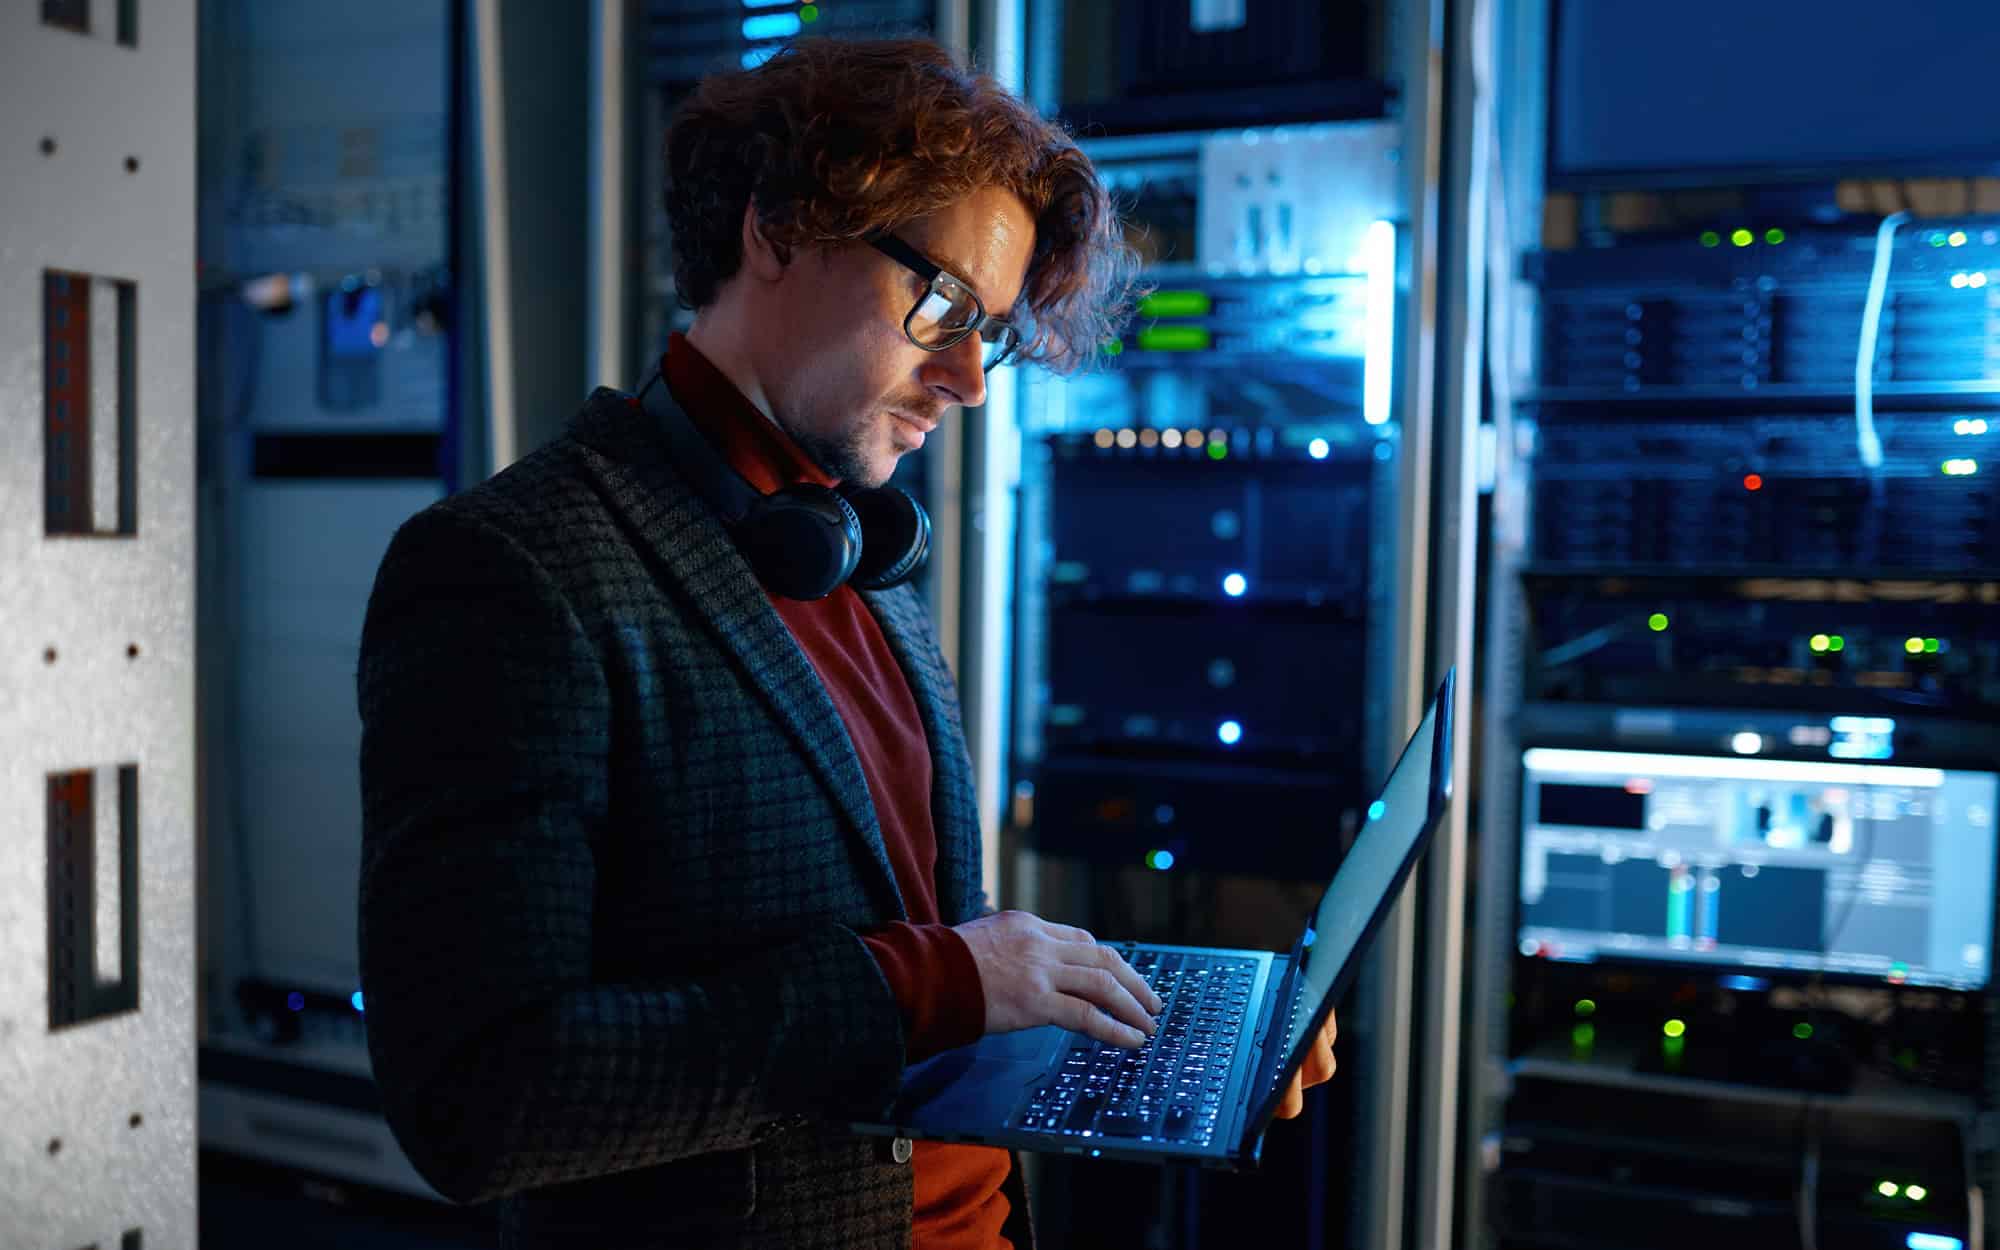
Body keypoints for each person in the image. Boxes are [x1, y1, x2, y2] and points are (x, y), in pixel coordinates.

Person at [356, 35, 1337, 1250]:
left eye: (995, 333)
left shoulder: (845, 548)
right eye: (941, 306)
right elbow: (479, 1102)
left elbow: (919, 958)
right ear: (777, 229)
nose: (969, 378)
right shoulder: (512, 571)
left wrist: (1141, 1012)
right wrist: (926, 983)